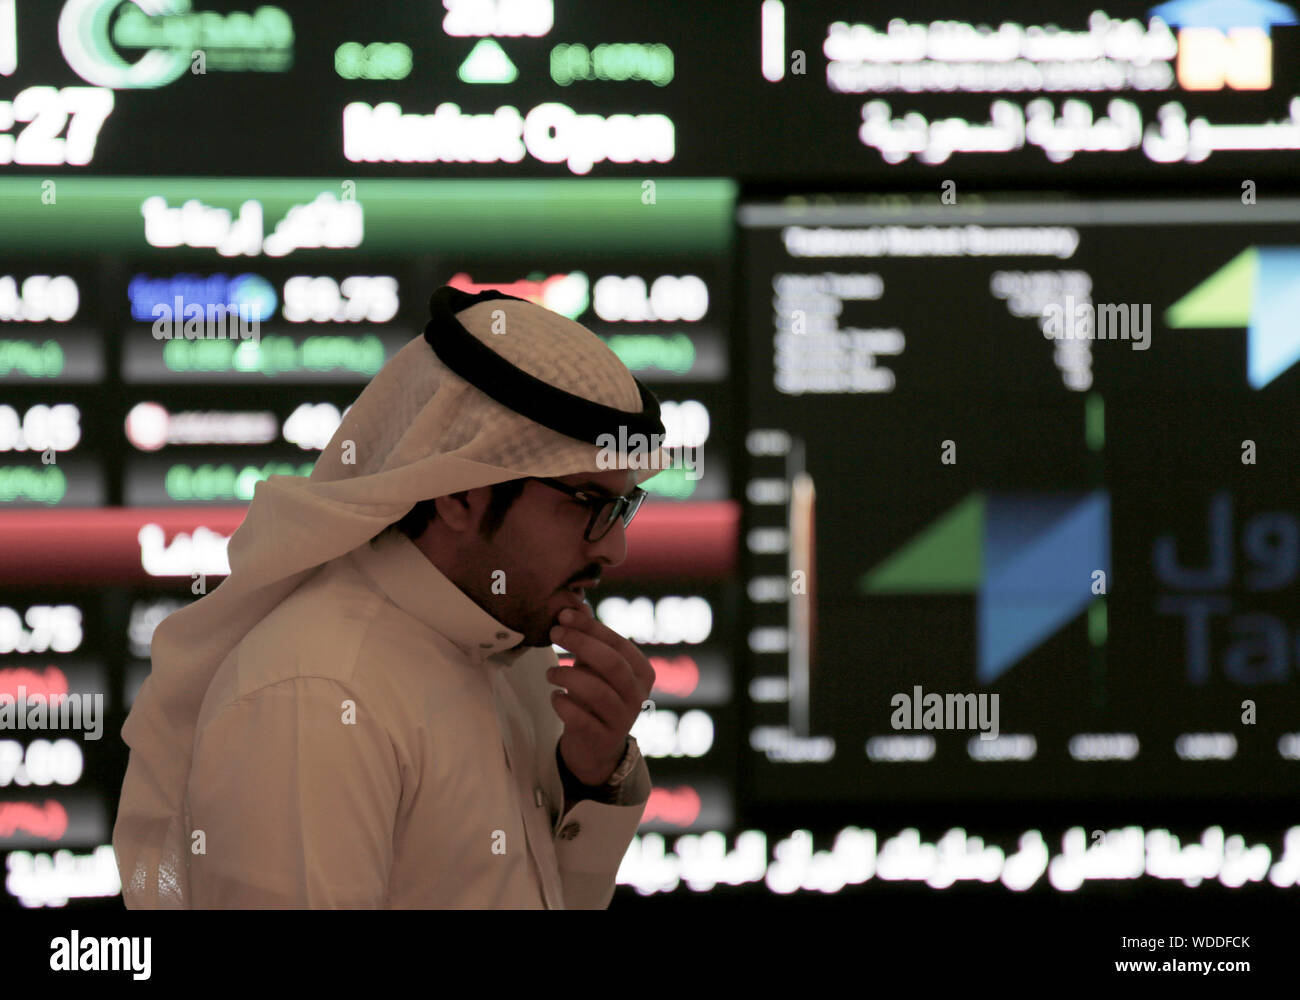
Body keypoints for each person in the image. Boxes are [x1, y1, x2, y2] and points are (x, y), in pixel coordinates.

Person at [112, 284, 672, 908]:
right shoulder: (317, 694)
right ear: (459, 493)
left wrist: (591, 779)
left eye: (622, 506)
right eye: (589, 504)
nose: (614, 548)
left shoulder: (510, 653)